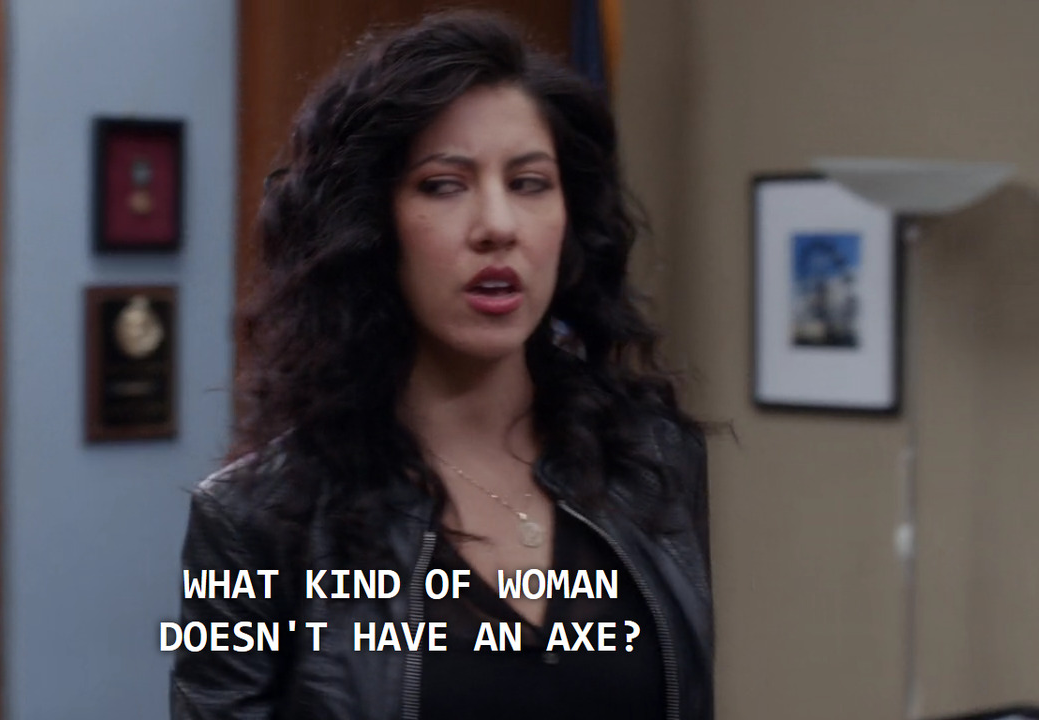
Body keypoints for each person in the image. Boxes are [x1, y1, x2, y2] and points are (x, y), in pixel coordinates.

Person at [170, 10, 713, 720]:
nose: (498, 226)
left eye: (529, 182)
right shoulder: (251, 521)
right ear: (374, 222)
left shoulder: (653, 459)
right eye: (444, 185)